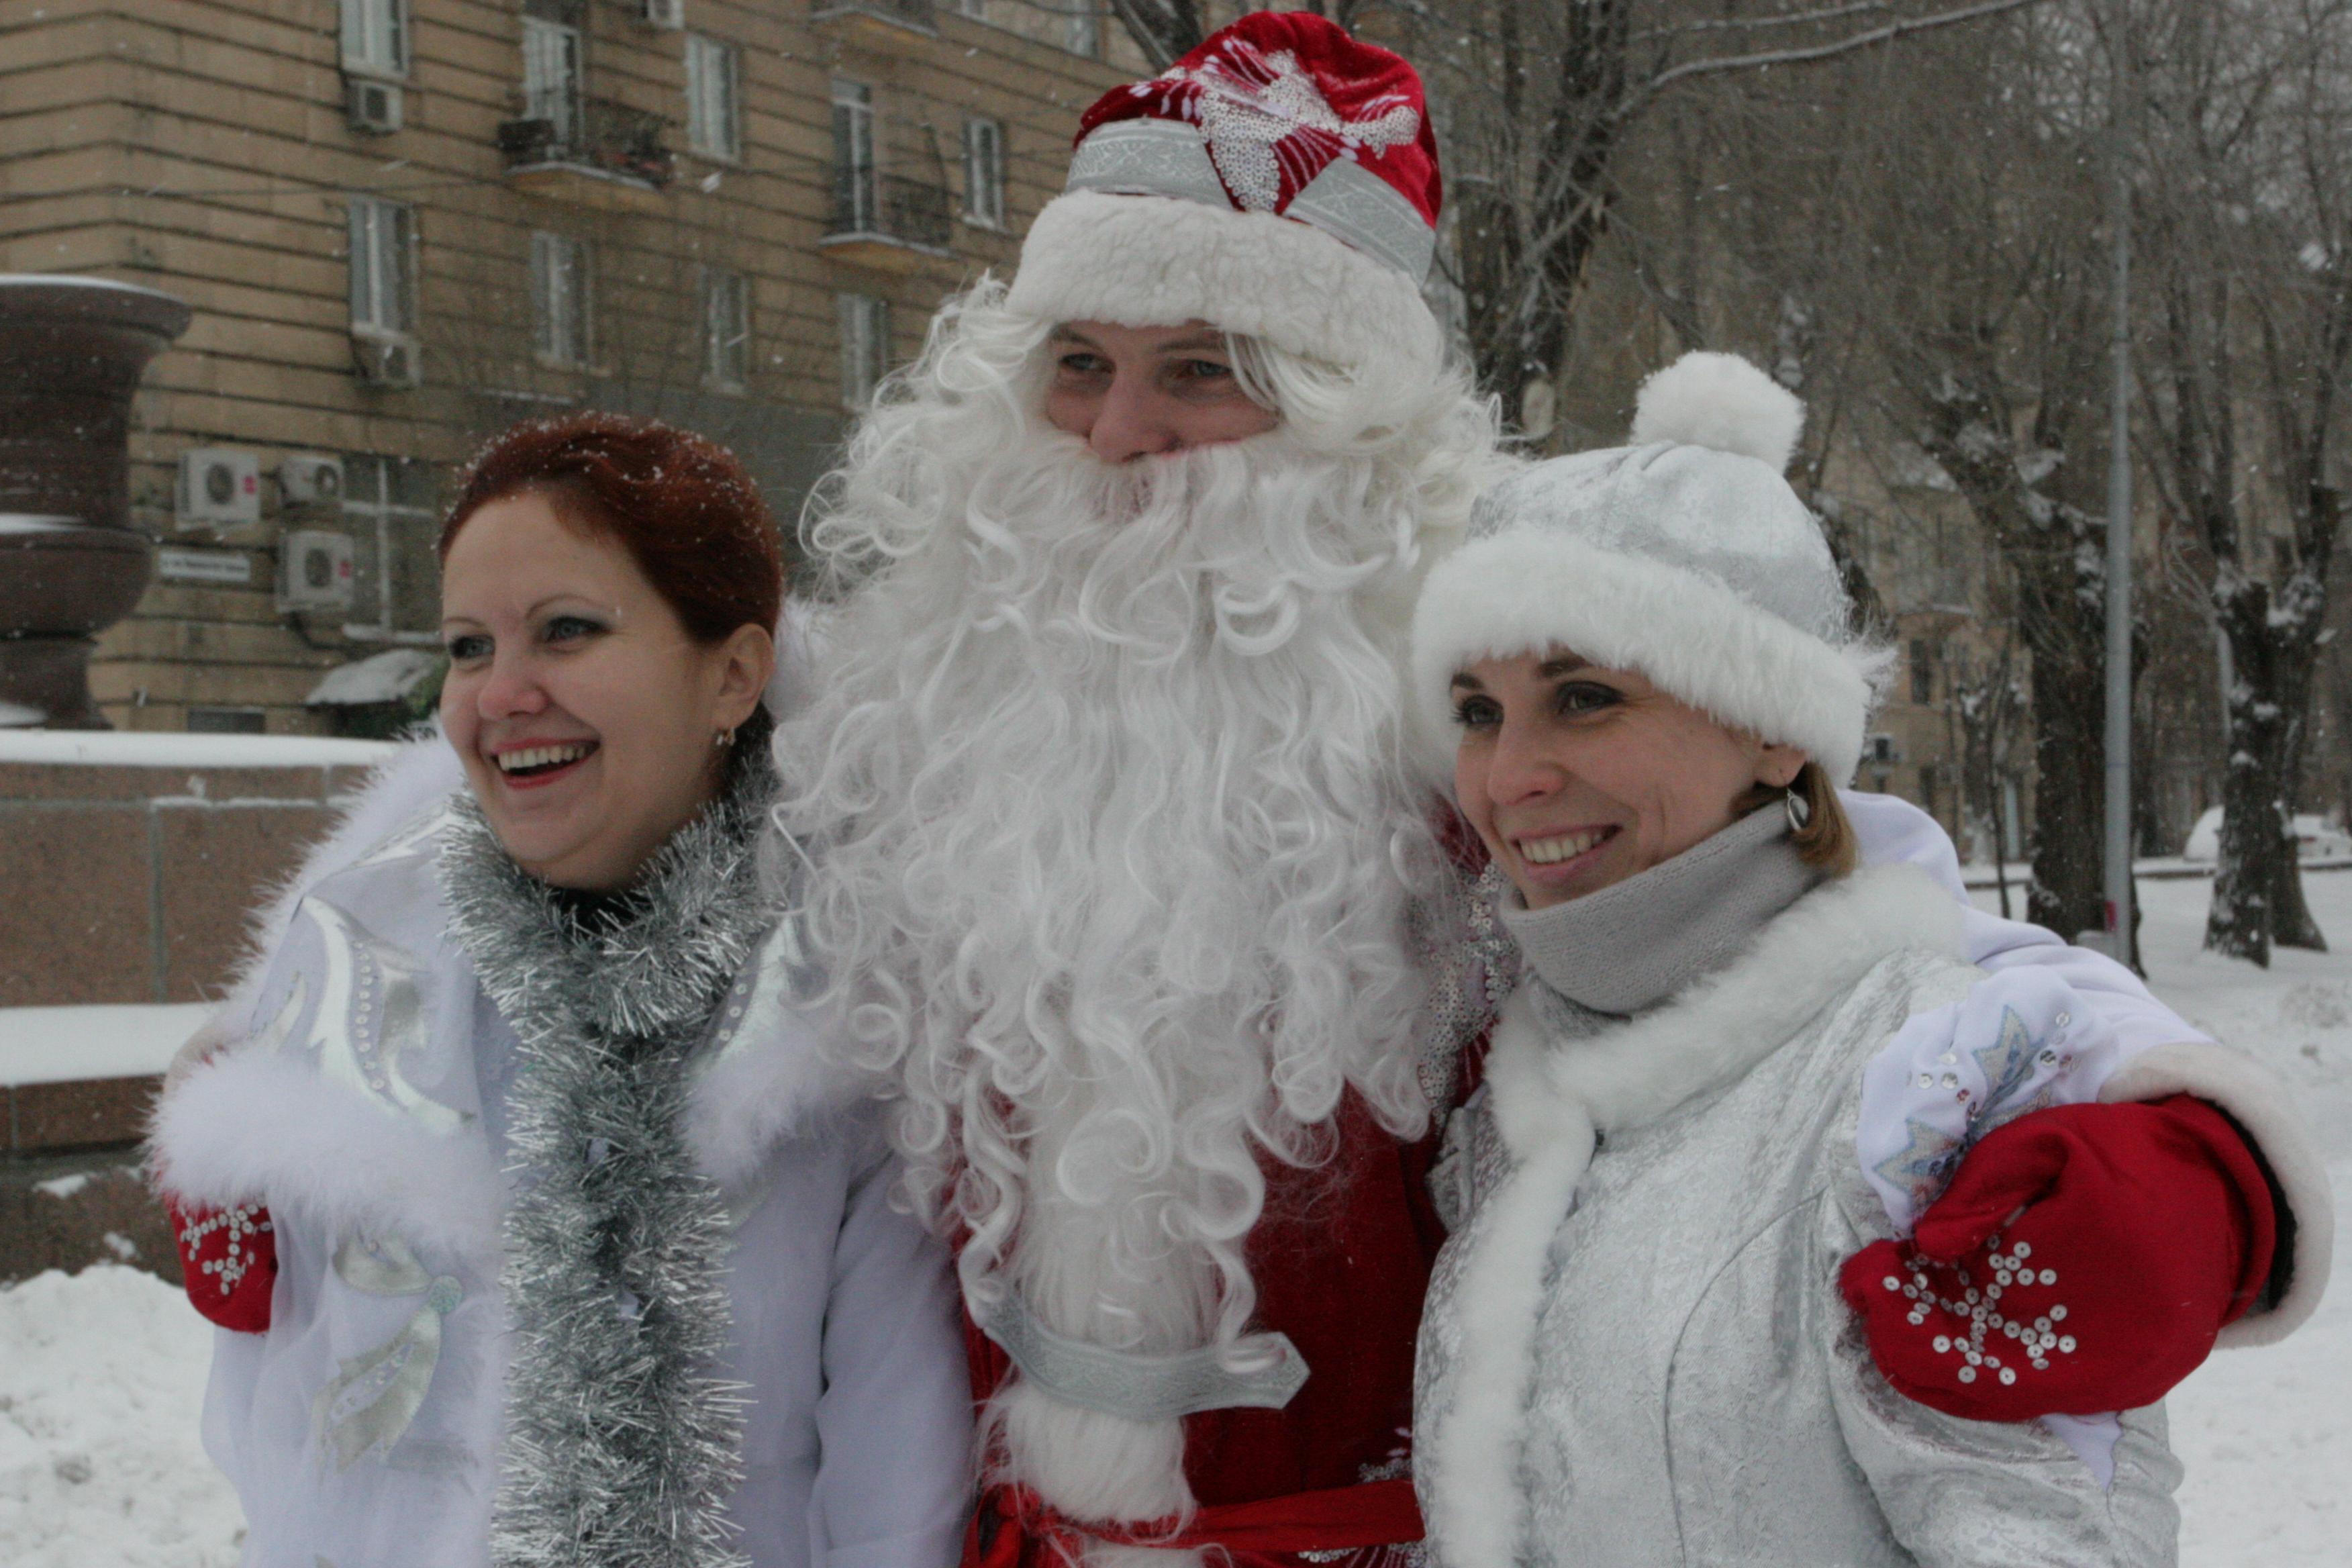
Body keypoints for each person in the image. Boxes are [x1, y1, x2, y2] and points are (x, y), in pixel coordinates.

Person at [776, 15, 2324, 1568]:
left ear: (1345, 428)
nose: (1118, 436)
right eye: (1079, 366)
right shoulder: (923, 716)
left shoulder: (1466, 696)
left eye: (1201, 372)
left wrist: (2180, 1152)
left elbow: (1829, 892)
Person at [1406, 354, 2329, 1565]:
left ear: (1778, 731)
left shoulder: (1925, 1095)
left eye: (1583, 697)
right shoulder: (1505, 1103)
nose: (1510, 775)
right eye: (1477, 710)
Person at [148, 414, 971, 1568]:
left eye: (567, 631)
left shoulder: (859, 999)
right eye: (469, 647)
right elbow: (284, 1435)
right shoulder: (353, 980)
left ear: (734, 672)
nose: (502, 693)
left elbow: (903, 1488)